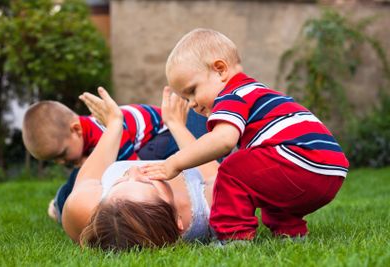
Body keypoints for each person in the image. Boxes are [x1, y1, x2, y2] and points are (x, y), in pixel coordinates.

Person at [140, 28, 350, 241]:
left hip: (300, 158)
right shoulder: (254, 91)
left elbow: (223, 140)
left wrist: (174, 163)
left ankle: (232, 236)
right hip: (331, 170)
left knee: (232, 170)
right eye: (186, 98)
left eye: (192, 91)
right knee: (261, 176)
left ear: (220, 70)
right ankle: (290, 232)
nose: (192, 103)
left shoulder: (233, 95)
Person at [61, 87, 219, 250]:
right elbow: (215, 173)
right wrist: (176, 124)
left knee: (66, 193)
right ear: (178, 220)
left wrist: (115, 124)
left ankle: (55, 204)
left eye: (118, 182)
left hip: (112, 159)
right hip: (174, 149)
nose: (134, 171)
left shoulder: (82, 208)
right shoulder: (210, 205)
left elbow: (88, 177)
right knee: (203, 106)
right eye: (147, 183)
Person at [22, 99, 207, 222]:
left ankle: (59, 202)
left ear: (76, 130)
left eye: (62, 154)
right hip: (147, 142)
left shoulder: (104, 133)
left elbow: (130, 165)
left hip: (162, 135)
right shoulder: (91, 136)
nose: (61, 162)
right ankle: (60, 202)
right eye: (55, 160)